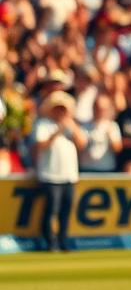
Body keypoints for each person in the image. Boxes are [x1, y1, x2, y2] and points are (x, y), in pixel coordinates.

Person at [30, 90, 85, 251]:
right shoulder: (43, 124)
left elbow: (82, 144)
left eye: (64, 109)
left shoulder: (72, 125)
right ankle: (49, 241)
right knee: (51, 210)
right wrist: (59, 130)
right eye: (58, 109)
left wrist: (71, 127)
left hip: (68, 174)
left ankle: (63, 240)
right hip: (50, 174)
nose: (61, 112)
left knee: (65, 211)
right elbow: (41, 146)